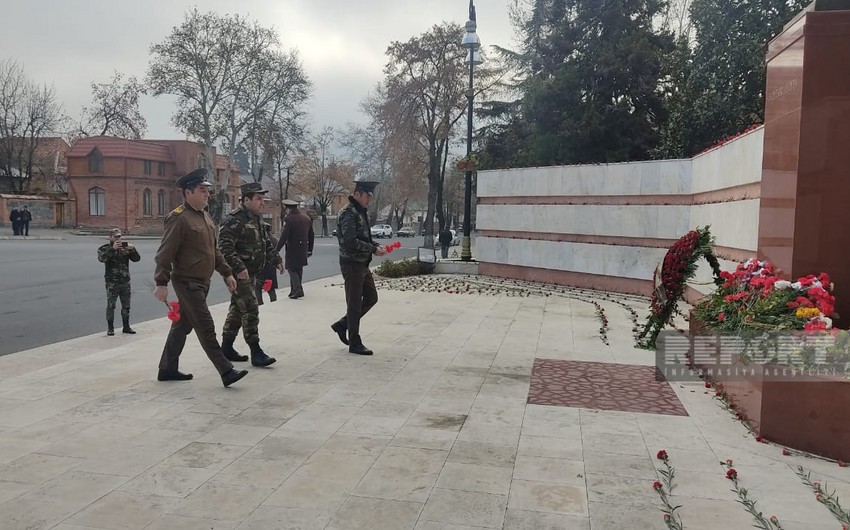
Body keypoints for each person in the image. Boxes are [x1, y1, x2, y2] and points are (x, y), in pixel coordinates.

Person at [153, 168, 248, 387]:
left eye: (207, 191)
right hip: (187, 282)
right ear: (188, 193)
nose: (207, 194)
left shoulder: (204, 216)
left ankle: (167, 368)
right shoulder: (178, 218)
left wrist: (226, 273)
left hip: (202, 282)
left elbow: (213, 251)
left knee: (182, 326)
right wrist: (161, 283)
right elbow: (165, 253)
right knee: (205, 326)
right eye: (202, 190)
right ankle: (226, 371)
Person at [219, 182, 283, 367]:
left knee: (238, 310)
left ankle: (226, 347)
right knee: (251, 308)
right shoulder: (234, 219)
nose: (262, 203)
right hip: (238, 275)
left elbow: (265, 243)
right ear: (246, 199)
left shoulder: (256, 218)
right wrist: (238, 268)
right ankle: (256, 351)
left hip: (251, 272)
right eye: (258, 199)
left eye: (262, 199)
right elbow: (224, 247)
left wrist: (276, 260)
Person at [330, 180, 386, 355]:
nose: (369, 200)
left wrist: (375, 245)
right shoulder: (348, 213)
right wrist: (372, 249)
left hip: (362, 263)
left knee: (371, 297)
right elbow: (349, 241)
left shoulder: (360, 212)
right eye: (367, 196)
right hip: (352, 263)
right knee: (354, 304)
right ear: (357, 194)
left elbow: (363, 237)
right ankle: (354, 342)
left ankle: (342, 324)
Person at [97, 228, 141, 336]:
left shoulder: (125, 248)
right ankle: (110, 328)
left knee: (126, 305)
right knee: (111, 305)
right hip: (112, 282)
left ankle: (126, 326)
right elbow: (102, 259)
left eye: (119, 236)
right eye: (116, 237)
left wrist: (133, 249)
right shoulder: (105, 248)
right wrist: (112, 249)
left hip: (125, 281)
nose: (118, 238)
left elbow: (137, 259)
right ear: (111, 237)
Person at [276, 199, 315, 299]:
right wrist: (310, 249)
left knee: (291, 269)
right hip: (303, 248)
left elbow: (284, 236)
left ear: (288, 209)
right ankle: (293, 290)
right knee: (299, 269)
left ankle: (297, 290)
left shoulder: (289, 219)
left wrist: (276, 249)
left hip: (292, 248)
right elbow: (311, 235)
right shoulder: (306, 219)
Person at [255, 223, 279, 305]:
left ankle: (260, 302)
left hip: (260, 266)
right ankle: (273, 301)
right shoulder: (274, 240)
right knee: (270, 286)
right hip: (271, 267)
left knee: (258, 287)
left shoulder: (259, 240)